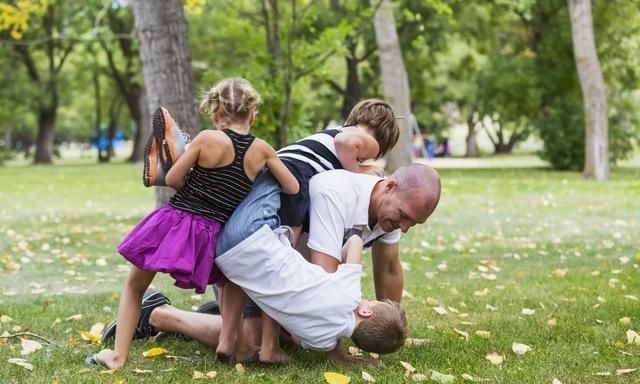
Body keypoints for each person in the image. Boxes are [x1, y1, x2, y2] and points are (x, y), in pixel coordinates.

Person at [85, 78, 299, 370]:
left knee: (135, 286)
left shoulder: (207, 138)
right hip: (216, 233)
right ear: (252, 115)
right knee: (230, 278)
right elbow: (292, 187)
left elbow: (172, 179)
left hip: (178, 222)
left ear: (215, 115)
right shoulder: (262, 149)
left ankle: (117, 356)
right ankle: (227, 338)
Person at [213, 98, 400, 363]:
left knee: (268, 268)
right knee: (284, 255)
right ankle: (266, 346)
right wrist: (358, 170)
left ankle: (232, 336)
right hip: (291, 183)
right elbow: (346, 144)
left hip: (253, 213)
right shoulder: (358, 140)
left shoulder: (327, 142)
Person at [216, 225, 408, 355]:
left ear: (365, 312)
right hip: (234, 271)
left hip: (258, 242)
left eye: (371, 301)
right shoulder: (324, 344)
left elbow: (356, 241)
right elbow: (297, 339)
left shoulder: (350, 294)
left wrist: (339, 260)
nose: (367, 300)